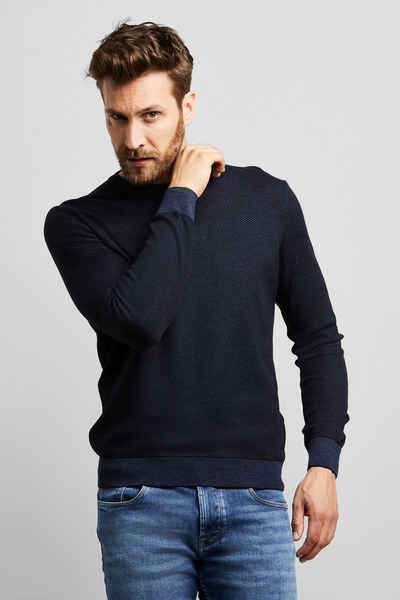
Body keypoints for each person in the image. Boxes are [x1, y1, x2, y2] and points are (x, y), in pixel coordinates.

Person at [43, 20, 350, 600]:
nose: (133, 138)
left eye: (150, 116)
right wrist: (182, 193)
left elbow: (318, 339)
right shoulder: (77, 223)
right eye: (116, 118)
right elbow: (141, 317)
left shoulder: (267, 201)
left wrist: (324, 462)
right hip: (141, 502)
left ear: (187, 107)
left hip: (254, 499)